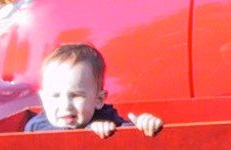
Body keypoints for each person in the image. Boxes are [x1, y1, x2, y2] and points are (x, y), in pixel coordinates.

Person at [25, 43, 164, 137]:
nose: (65, 105)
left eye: (76, 95)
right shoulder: (36, 128)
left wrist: (144, 125)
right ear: (43, 99)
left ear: (99, 99)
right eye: (55, 96)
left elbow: (129, 135)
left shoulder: (108, 120)